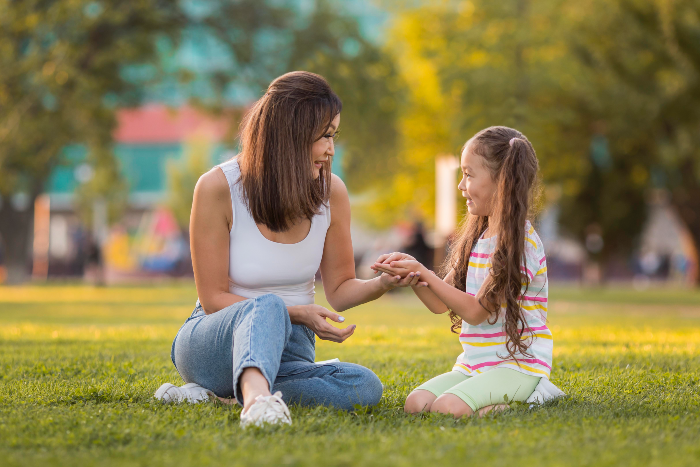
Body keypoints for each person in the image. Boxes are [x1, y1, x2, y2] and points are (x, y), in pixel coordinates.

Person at [155, 71, 423, 428]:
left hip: (291, 349)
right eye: (325, 136)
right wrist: (293, 312)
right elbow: (212, 298)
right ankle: (255, 403)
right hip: (214, 339)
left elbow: (340, 290)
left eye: (334, 136)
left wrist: (383, 283)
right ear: (292, 134)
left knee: (363, 385)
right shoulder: (218, 187)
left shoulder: (332, 192)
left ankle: (221, 395)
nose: (331, 149)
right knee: (265, 306)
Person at [373, 126, 562, 418]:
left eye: (469, 175)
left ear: (502, 182)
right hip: (474, 364)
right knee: (417, 403)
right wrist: (413, 276)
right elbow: (438, 303)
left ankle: (533, 398)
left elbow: (475, 312)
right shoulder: (479, 238)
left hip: (517, 367)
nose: (461, 185)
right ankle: (485, 402)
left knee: (447, 408)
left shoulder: (521, 244)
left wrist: (426, 272)